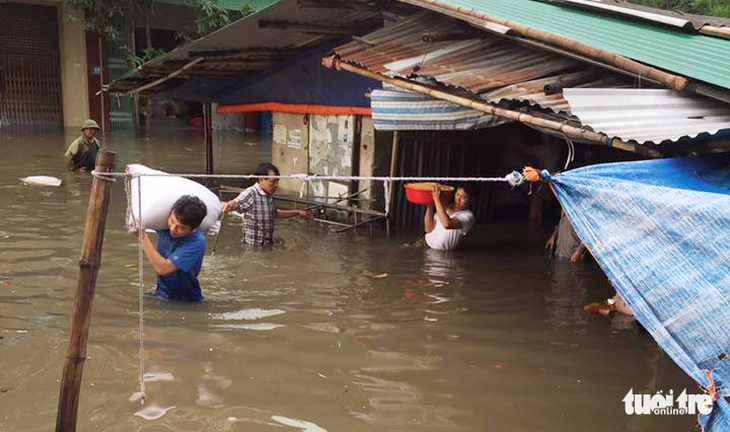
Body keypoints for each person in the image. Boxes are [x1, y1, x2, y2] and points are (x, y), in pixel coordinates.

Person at [136, 195, 208, 302]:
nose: (173, 229)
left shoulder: (197, 242)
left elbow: (164, 269)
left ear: (194, 229)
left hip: (186, 300)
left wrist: (142, 236)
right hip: (162, 291)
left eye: (181, 227)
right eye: (172, 221)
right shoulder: (164, 226)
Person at [221, 162, 312, 245]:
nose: (276, 185)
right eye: (273, 181)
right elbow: (237, 203)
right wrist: (228, 205)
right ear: (261, 180)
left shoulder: (268, 195)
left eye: (277, 181)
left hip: (267, 244)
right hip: (253, 247)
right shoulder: (251, 193)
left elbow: (274, 214)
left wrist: (297, 212)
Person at [424, 185, 475, 251]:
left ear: (471, 200)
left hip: (442, 255)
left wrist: (437, 200)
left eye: (463, 197)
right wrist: (429, 205)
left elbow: (447, 224)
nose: (458, 199)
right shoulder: (445, 207)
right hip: (427, 246)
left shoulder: (468, 216)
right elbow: (428, 229)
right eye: (457, 194)